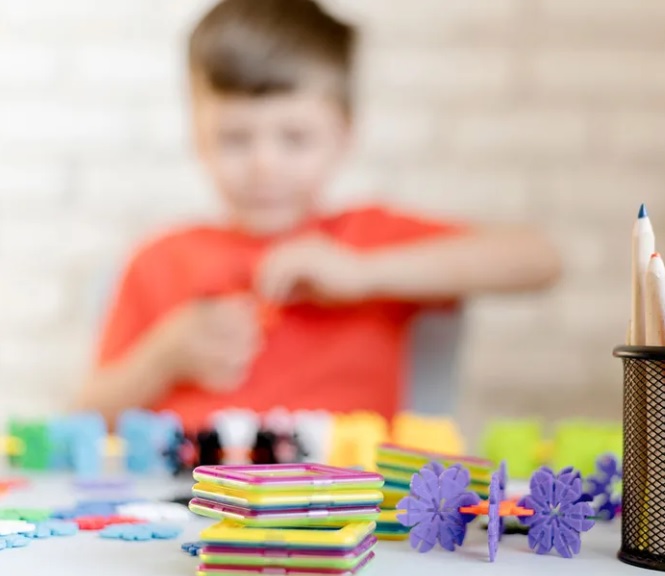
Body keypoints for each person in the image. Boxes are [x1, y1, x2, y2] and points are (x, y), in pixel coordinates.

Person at [74, 0, 561, 431]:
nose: (264, 164)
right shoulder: (159, 259)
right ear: (197, 138)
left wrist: (364, 273)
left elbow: (538, 260)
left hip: (344, 509)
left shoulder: (368, 239)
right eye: (234, 138)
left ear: (343, 135)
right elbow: (83, 416)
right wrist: (162, 358)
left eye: (295, 137)